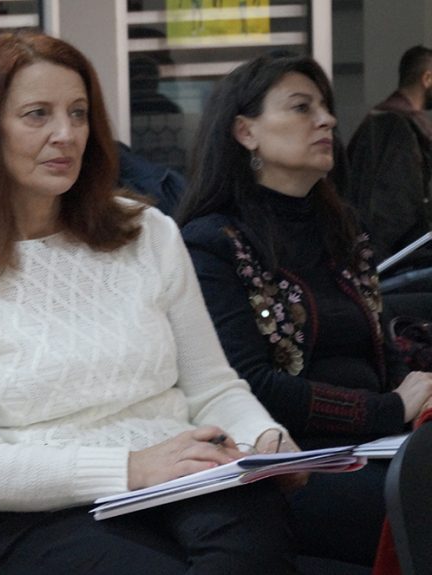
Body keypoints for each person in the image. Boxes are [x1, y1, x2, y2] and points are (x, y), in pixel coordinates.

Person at [0, 31, 304, 575]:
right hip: (37, 515)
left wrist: (265, 437)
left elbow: (212, 387)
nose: (66, 134)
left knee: (255, 551)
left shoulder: (148, 232)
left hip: (187, 476)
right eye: (38, 115)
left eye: (79, 113)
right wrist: (132, 467)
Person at [178, 54, 432, 567]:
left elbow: (379, 354)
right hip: (293, 460)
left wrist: (414, 392)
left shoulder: (344, 229)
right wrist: (388, 408)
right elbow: (250, 384)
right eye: (301, 108)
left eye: (325, 107)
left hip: (380, 443)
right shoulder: (212, 244)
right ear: (246, 132)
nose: (327, 120)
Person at [347, 45, 432, 271]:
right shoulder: (396, 126)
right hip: (399, 260)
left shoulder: (380, 120)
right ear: (427, 78)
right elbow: (396, 207)